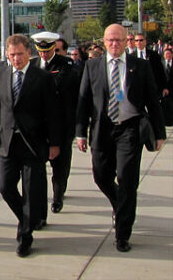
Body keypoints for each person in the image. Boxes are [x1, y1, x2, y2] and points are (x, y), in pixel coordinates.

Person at [75, 24, 166, 253]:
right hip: (102, 129)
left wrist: (160, 133)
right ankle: (120, 204)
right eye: (110, 40)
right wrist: (79, 132)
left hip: (130, 128)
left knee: (127, 180)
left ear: (127, 42)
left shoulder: (140, 66)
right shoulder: (92, 66)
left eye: (119, 40)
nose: (114, 44)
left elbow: (152, 101)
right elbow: (84, 100)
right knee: (101, 175)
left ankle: (122, 233)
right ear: (104, 42)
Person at [0, 34, 61, 257]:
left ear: (29, 53)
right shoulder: (0, 73)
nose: (16, 59)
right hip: (7, 142)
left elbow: (53, 113)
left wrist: (55, 143)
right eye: (12, 55)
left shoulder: (43, 77)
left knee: (31, 192)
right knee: (5, 186)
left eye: (19, 54)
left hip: (33, 144)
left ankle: (25, 235)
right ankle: (27, 218)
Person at [30, 32, 80, 219]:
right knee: (36, 170)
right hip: (38, 127)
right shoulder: (32, 65)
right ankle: (40, 205)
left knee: (60, 166)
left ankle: (58, 196)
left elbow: (62, 89)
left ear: (53, 48)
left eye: (48, 50)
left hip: (61, 125)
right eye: (41, 51)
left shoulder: (66, 65)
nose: (44, 54)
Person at [130, 33, 166, 97]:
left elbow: (161, 71)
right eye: (136, 40)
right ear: (134, 42)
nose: (139, 42)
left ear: (145, 41)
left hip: (153, 88)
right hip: (138, 89)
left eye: (141, 40)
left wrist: (164, 87)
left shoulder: (154, 55)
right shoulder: (131, 56)